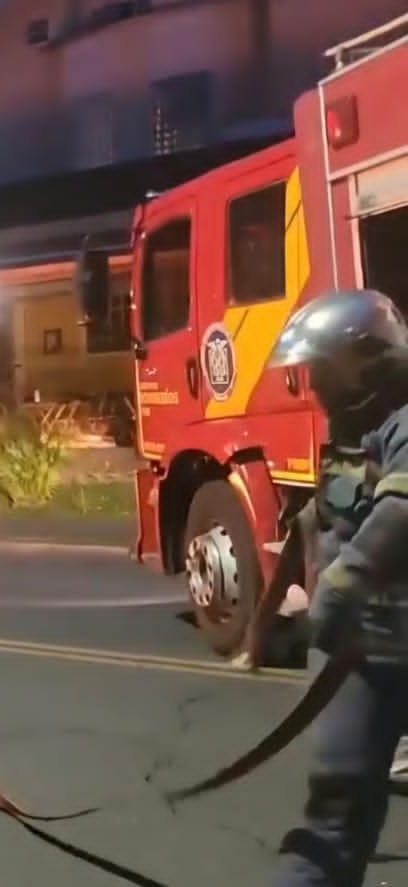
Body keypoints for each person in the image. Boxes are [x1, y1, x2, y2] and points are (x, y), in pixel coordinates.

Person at [268, 288, 408, 886]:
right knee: (338, 811)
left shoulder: (403, 421)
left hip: (382, 638)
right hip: (367, 652)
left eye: (321, 369)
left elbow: (402, 508)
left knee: (338, 815)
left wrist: (341, 586)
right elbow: (329, 514)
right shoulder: (357, 425)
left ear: (366, 358)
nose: (314, 385)